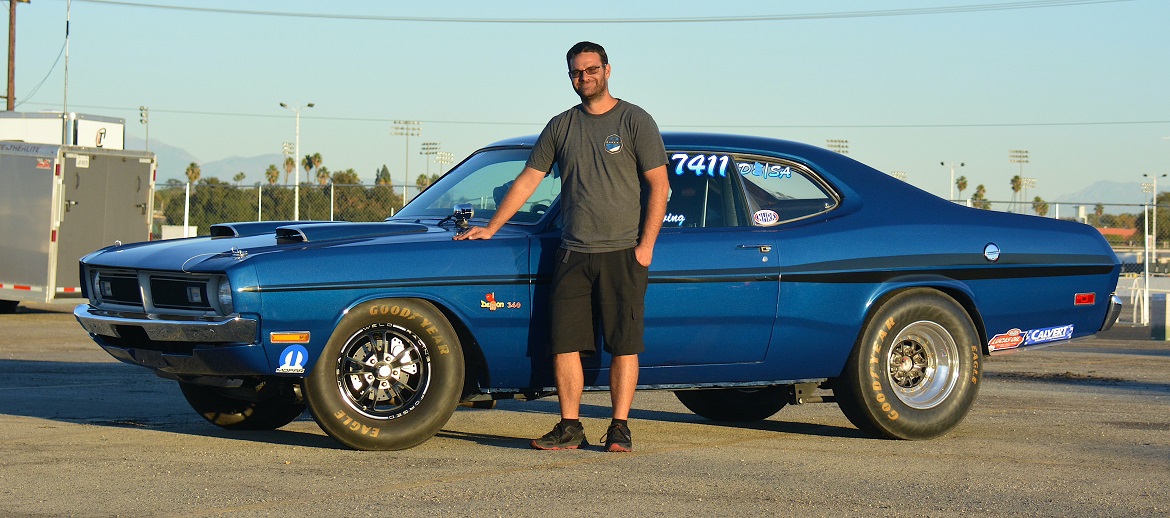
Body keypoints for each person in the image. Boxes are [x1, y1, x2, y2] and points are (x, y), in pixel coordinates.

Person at [455, 41, 669, 452]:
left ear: (607, 70)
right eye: (576, 72)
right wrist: (493, 227)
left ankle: (619, 427)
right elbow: (528, 179)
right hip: (573, 251)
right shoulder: (561, 125)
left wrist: (645, 247)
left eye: (591, 70)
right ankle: (570, 426)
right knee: (565, 343)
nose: (583, 78)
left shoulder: (635, 120)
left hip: (623, 251)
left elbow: (659, 185)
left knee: (623, 343)